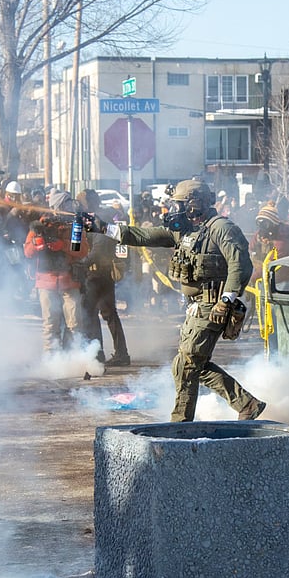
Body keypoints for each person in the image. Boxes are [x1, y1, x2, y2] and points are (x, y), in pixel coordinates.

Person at [83, 178, 267, 422]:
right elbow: (143, 236)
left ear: (195, 203)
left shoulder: (221, 228)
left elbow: (240, 266)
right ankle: (246, 403)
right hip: (196, 306)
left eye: (179, 204)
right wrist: (104, 228)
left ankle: (180, 423)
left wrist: (226, 301)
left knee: (188, 363)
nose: (174, 209)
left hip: (213, 305)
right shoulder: (185, 230)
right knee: (188, 363)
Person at [24, 189, 89, 354]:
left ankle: (75, 356)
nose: (69, 207)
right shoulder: (40, 226)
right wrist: (37, 244)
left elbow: (81, 250)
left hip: (70, 280)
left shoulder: (75, 225)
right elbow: (27, 252)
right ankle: (51, 358)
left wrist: (63, 245)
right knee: (50, 323)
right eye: (65, 204)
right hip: (46, 280)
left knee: (75, 323)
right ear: (56, 206)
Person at [78, 188, 130, 366]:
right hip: (99, 272)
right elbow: (77, 244)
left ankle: (99, 355)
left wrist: (82, 262)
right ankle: (120, 354)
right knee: (108, 314)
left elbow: (98, 247)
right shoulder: (92, 218)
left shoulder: (97, 219)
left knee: (94, 314)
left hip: (97, 273)